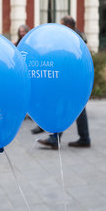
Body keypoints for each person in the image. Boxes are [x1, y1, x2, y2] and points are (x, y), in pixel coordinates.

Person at [38, 15, 91, 149]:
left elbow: (70, 59)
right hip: (77, 79)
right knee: (76, 109)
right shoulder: (78, 37)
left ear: (67, 25)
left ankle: (56, 139)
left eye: (61, 24)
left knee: (63, 106)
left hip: (72, 80)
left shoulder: (73, 38)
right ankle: (83, 138)